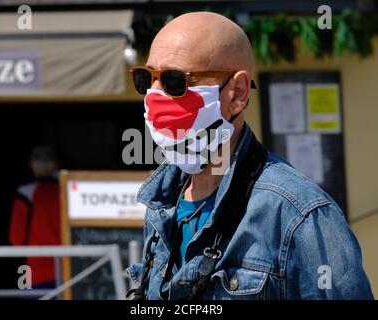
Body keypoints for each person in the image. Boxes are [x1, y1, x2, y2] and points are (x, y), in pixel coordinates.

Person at [126, 12, 373, 300]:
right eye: (147, 78)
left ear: (237, 93)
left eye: (174, 81)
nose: (154, 97)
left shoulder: (300, 214)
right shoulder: (161, 206)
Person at [9, 145, 61, 290]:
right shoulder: (70, 191)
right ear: (57, 165)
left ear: (32, 166)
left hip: (37, 270)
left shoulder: (25, 193)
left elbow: (16, 238)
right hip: (72, 270)